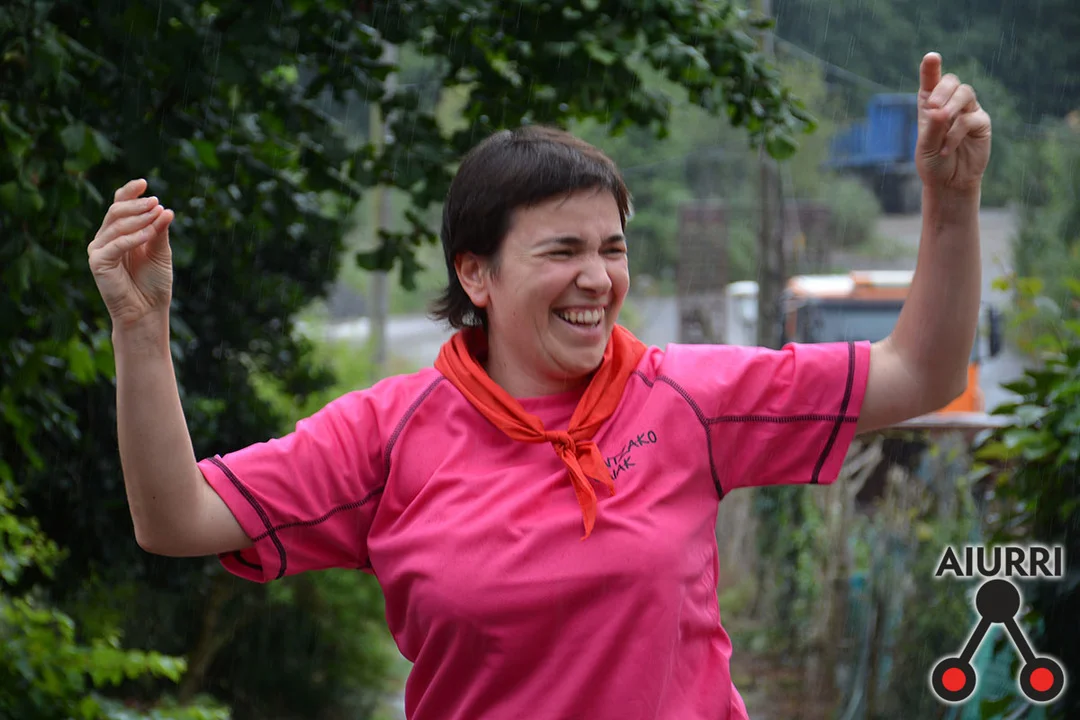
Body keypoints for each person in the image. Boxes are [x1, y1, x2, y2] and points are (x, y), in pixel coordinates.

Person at [88, 52, 990, 720]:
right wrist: (140, 328)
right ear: (475, 273)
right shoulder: (387, 435)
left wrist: (951, 206)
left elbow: (922, 372)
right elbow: (177, 519)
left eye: (613, 248)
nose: (597, 277)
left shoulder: (689, 399)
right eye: (562, 250)